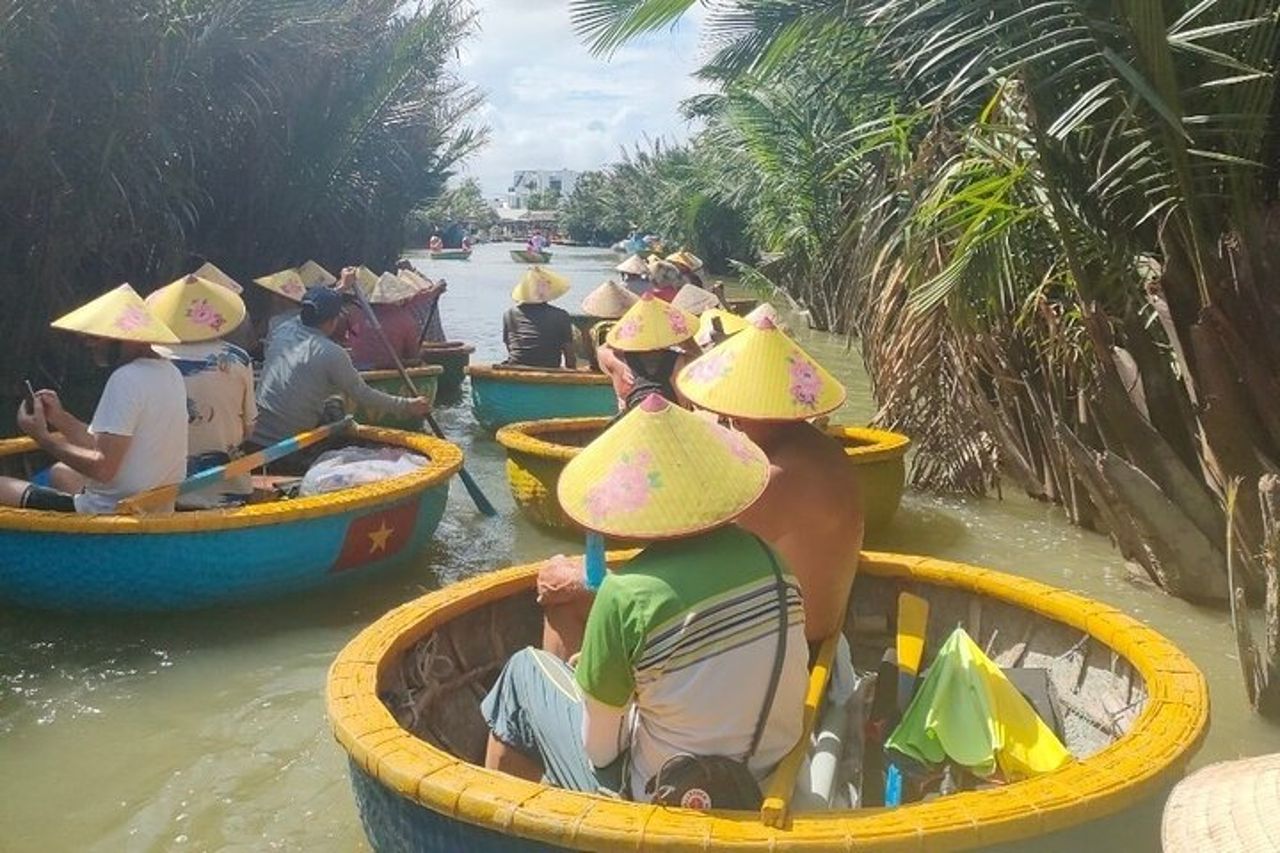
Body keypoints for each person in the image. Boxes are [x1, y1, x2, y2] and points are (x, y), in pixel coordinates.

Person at [483, 395, 807, 802]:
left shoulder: (624, 595)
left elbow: (600, 752)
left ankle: (500, 822)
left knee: (522, 672)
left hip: (669, 795)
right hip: (766, 777)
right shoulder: (773, 561)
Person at [676, 314, 863, 642]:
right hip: (815, 625)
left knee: (579, 600)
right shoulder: (820, 448)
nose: (728, 417)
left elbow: (702, 557)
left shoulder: (779, 477)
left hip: (793, 641)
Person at [0, 284, 187, 514]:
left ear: (129, 337)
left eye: (97, 337)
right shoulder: (170, 372)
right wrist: (59, 418)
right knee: (61, 473)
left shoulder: (126, 379)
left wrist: (43, 438)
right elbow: (103, 446)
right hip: (151, 505)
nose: (90, 344)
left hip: (111, 511)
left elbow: (102, 469)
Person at [251, 285, 431, 448]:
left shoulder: (283, 329)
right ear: (333, 321)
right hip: (288, 442)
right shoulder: (331, 352)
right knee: (337, 402)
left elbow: (309, 312)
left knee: (332, 399)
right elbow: (363, 394)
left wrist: (342, 287)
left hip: (256, 431)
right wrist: (407, 405)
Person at [147, 274, 257, 509]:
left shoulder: (150, 358)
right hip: (229, 488)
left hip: (162, 492)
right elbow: (249, 428)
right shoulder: (238, 359)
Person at [595, 292, 699, 411]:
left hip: (635, 426)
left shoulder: (619, 361)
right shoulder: (681, 361)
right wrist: (686, 338)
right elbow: (708, 369)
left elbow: (603, 349)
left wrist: (615, 362)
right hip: (672, 423)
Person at [347, 272, 438, 369]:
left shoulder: (355, 313)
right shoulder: (404, 319)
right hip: (390, 371)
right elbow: (412, 356)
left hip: (358, 369)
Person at [502, 267, 576, 369]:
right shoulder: (561, 315)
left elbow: (510, 346)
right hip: (550, 369)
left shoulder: (509, 314)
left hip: (516, 366)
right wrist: (571, 374)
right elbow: (570, 357)